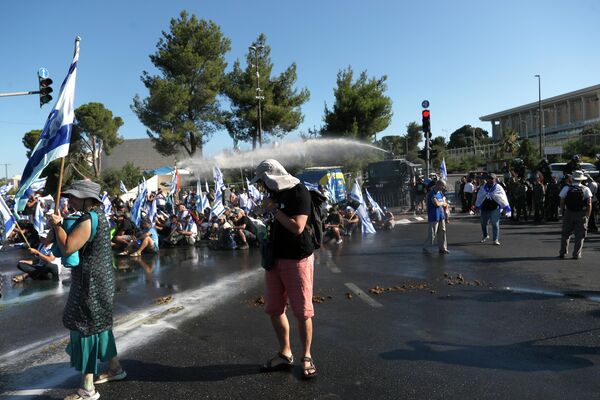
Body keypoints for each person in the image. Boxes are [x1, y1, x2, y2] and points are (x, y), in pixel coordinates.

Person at [49, 180, 125, 400]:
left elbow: (69, 247)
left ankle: (87, 389)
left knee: (85, 327)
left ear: (87, 198)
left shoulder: (88, 219)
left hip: (90, 282)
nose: (69, 200)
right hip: (101, 280)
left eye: (73, 196)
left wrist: (57, 226)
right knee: (100, 325)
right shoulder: (97, 216)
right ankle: (115, 369)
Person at [250, 159, 317, 379]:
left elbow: (297, 227)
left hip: (297, 259)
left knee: (302, 311)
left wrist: (275, 210)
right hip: (274, 259)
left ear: (272, 177)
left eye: (262, 181)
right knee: (274, 308)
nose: (262, 187)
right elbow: (270, 217)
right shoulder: (275, 194)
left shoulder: (299, 192)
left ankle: (306, 356)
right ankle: (285, 352)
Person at [558, 171, 593, 259]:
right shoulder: (586, 189)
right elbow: (589, 203)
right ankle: (576, 254)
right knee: (579, 235)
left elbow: (562, 201)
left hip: (568, 212)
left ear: (572, 179)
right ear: (581, 180)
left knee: (565, 234)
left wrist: (562, 211)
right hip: (581, 213)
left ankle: (563, 252)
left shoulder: (566, 188)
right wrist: (587, 215)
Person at [475, 173, 511, 245]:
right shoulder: (483, 188)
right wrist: (477, 207)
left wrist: (505, 208)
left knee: (495, 224)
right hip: (485, 209)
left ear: (495, 179)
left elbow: (502, 198)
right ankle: (485, 235)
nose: (490, 180)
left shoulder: (498, 188)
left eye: (492, 178)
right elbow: (479, 197)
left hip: (495, 208)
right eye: (489, 178)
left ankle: (495, 240)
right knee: (483, 223)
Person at [422, 180, 449, 255]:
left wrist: (443, 204)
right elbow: (436, 204)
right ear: (439, 185)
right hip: (434, 216)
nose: (444, 187)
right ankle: (426, 247)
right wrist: (443, 203)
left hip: (441, 215)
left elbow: (445, 202)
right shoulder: (431, 193)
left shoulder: (440, 193)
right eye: (443, 186)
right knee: (432, 233)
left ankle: (443, 248)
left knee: (442, 232)